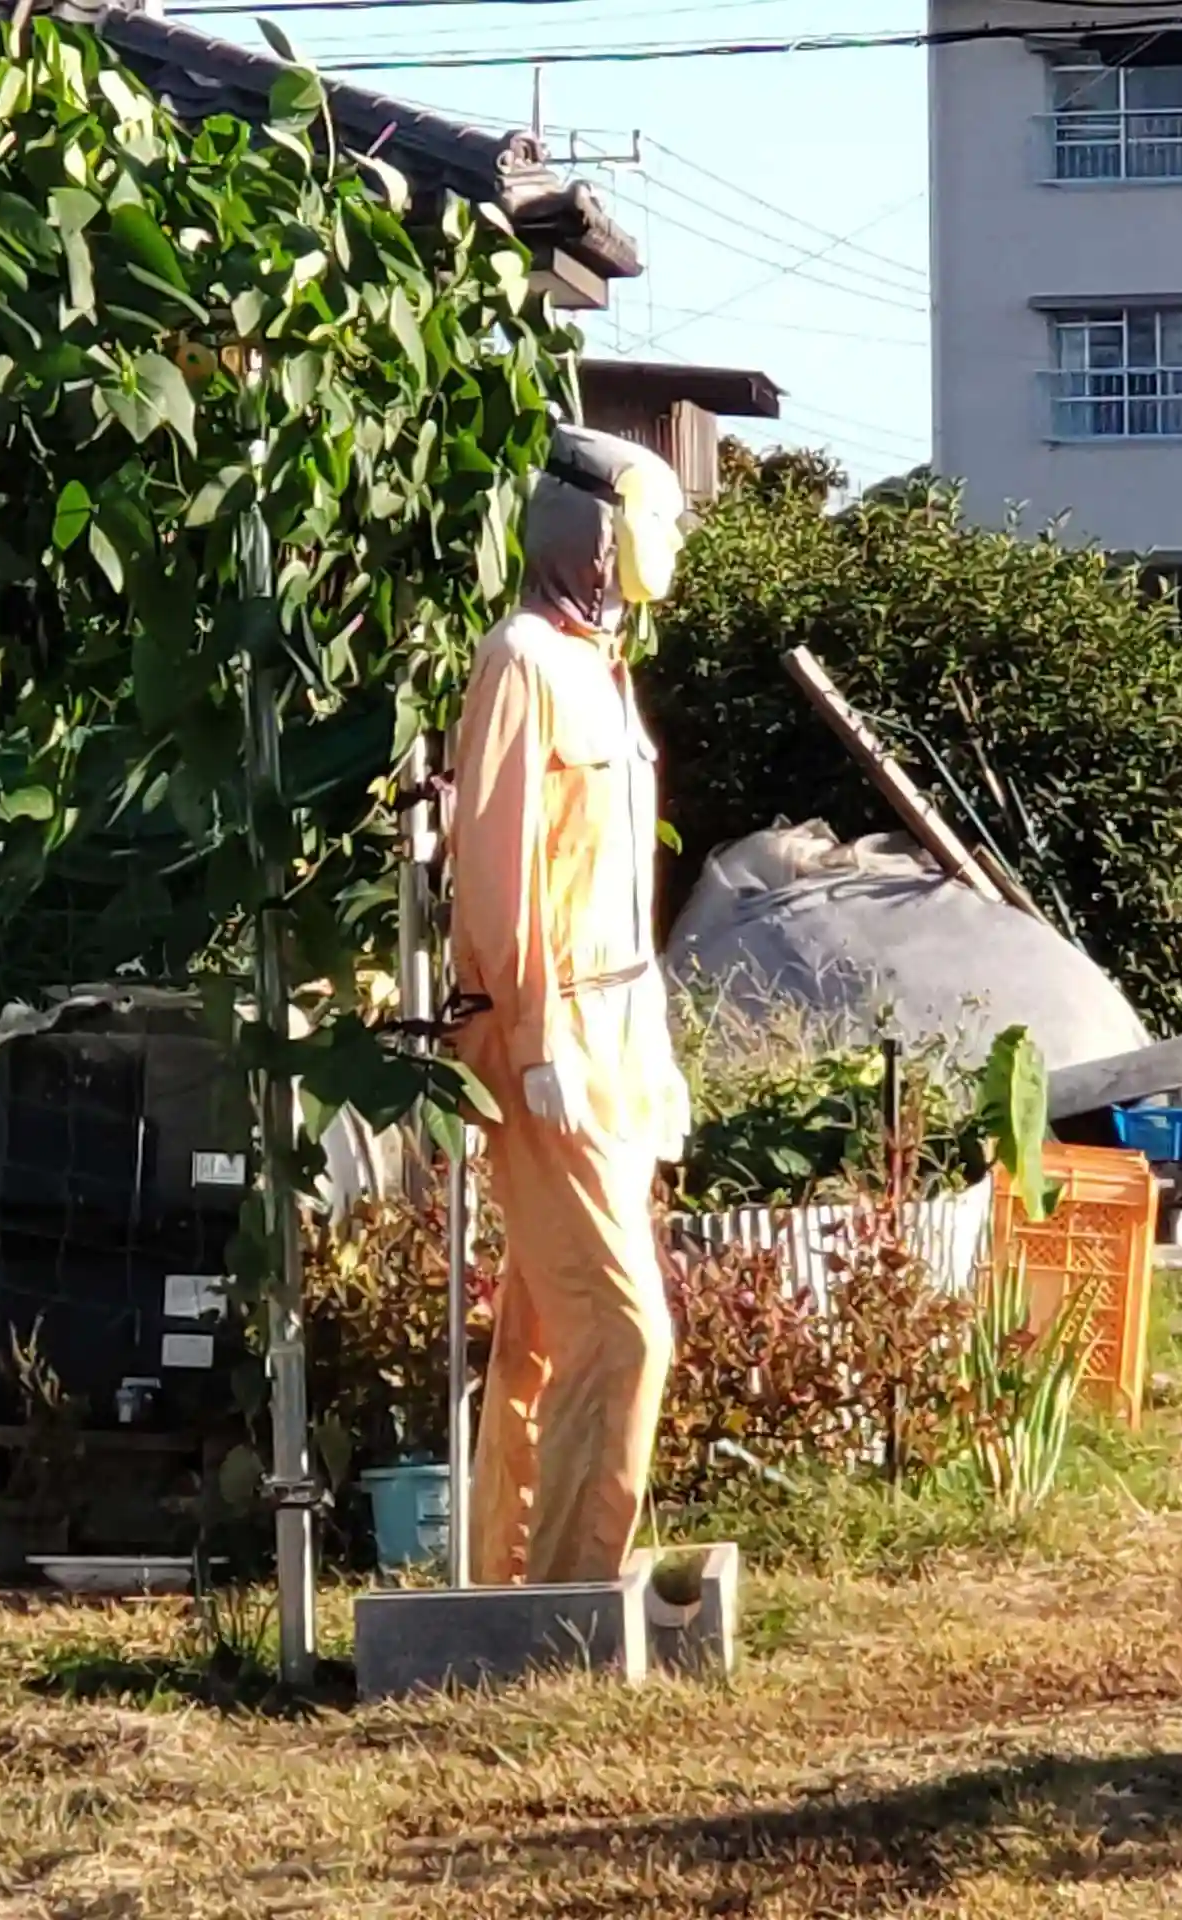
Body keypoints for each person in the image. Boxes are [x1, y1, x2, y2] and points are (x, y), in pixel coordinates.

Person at [449, 424, 692, 1586]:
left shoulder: (601, 664)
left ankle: (505, 1585)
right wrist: (536, 1033)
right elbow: (498, 869)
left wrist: (658, 1054)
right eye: (653, 518)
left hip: (619, 1036)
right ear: (594, 532)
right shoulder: (522, 662)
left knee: (544, 1333)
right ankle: (571, 1599)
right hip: (554, 1041)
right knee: (624, 1332)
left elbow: (612, 891)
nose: (666, 542)